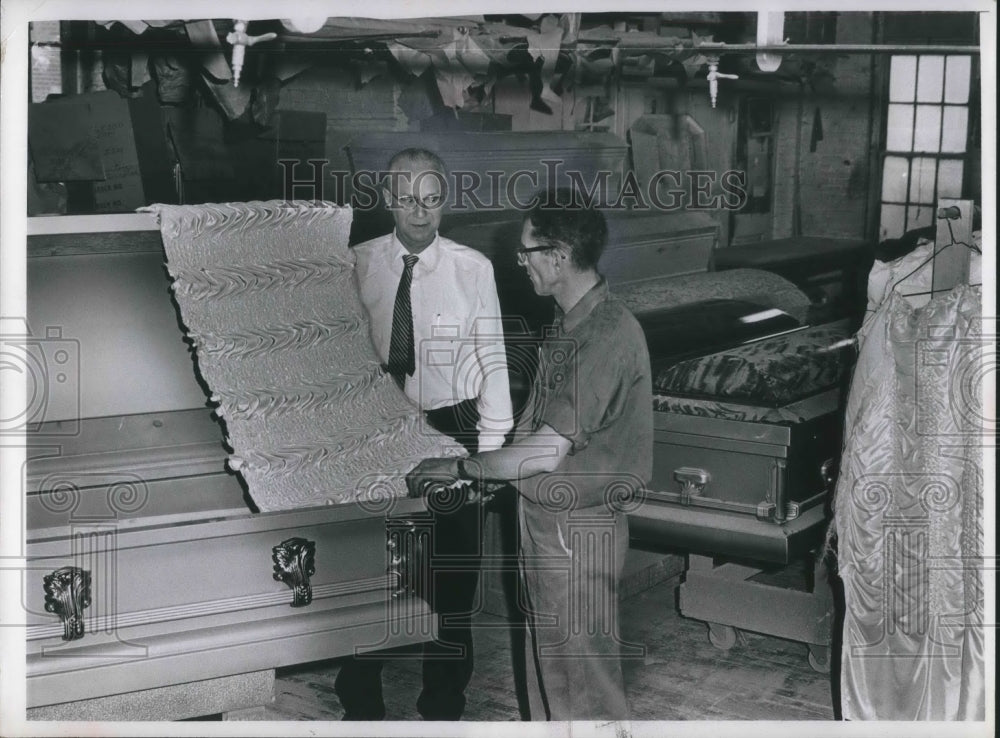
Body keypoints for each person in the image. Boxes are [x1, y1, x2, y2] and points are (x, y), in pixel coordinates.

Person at [407, 190, 653, 721]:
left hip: (576, 532)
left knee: (582, 684)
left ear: (559, 257)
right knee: (552, 675)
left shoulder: (606, 335)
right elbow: (534, 435)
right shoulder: (568, 325)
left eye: (527, 251)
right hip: (548, 524)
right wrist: (488, 480)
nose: (521, 263)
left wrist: (459, 466)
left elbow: (543, 452)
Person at [336, 148, 514, 721]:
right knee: (372, 570)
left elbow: (493, 362)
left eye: (432, 200)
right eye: (409, 199)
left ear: (445, 201)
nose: (421, 212)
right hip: (377, 427)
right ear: (390, 200)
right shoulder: (355, 263)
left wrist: (488, 459)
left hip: (452, 425)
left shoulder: (472, 268)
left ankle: (444, 707)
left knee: (453, 579)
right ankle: (360, 702)